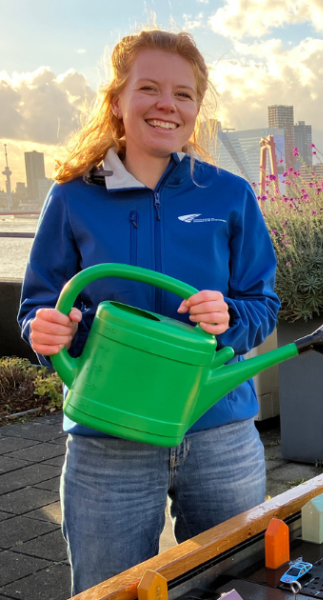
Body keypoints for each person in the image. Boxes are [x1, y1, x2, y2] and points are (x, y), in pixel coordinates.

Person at [17, 29, 280, 594]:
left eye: (184, 95)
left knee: (233, 588)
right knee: (109, 590)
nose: (168, 105)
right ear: (117, 99)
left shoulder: (231, 195)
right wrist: (50, 332)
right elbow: (38, 307)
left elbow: (262, 304)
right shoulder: (70, 196)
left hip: (219, 431)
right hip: (107, 437)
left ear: (196, 110)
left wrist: (229, 314)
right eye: (150, 88)